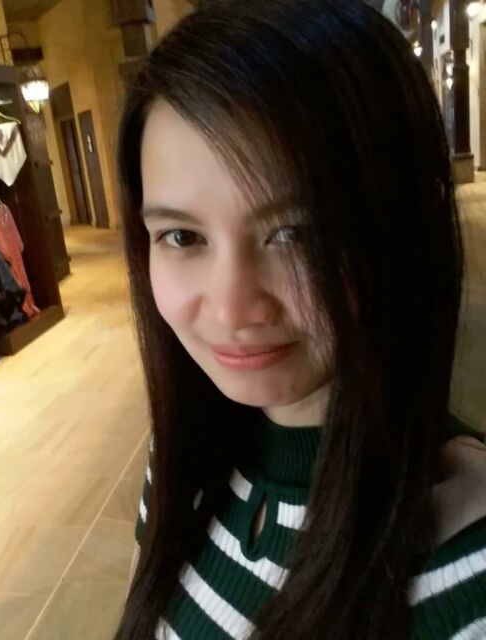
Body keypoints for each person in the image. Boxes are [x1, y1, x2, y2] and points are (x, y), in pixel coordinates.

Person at [113, 1, 486, 639]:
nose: (231, 309)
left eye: (296, 233)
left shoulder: (468, 583)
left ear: (403, 229)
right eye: (182, 236)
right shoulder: (180, 462)